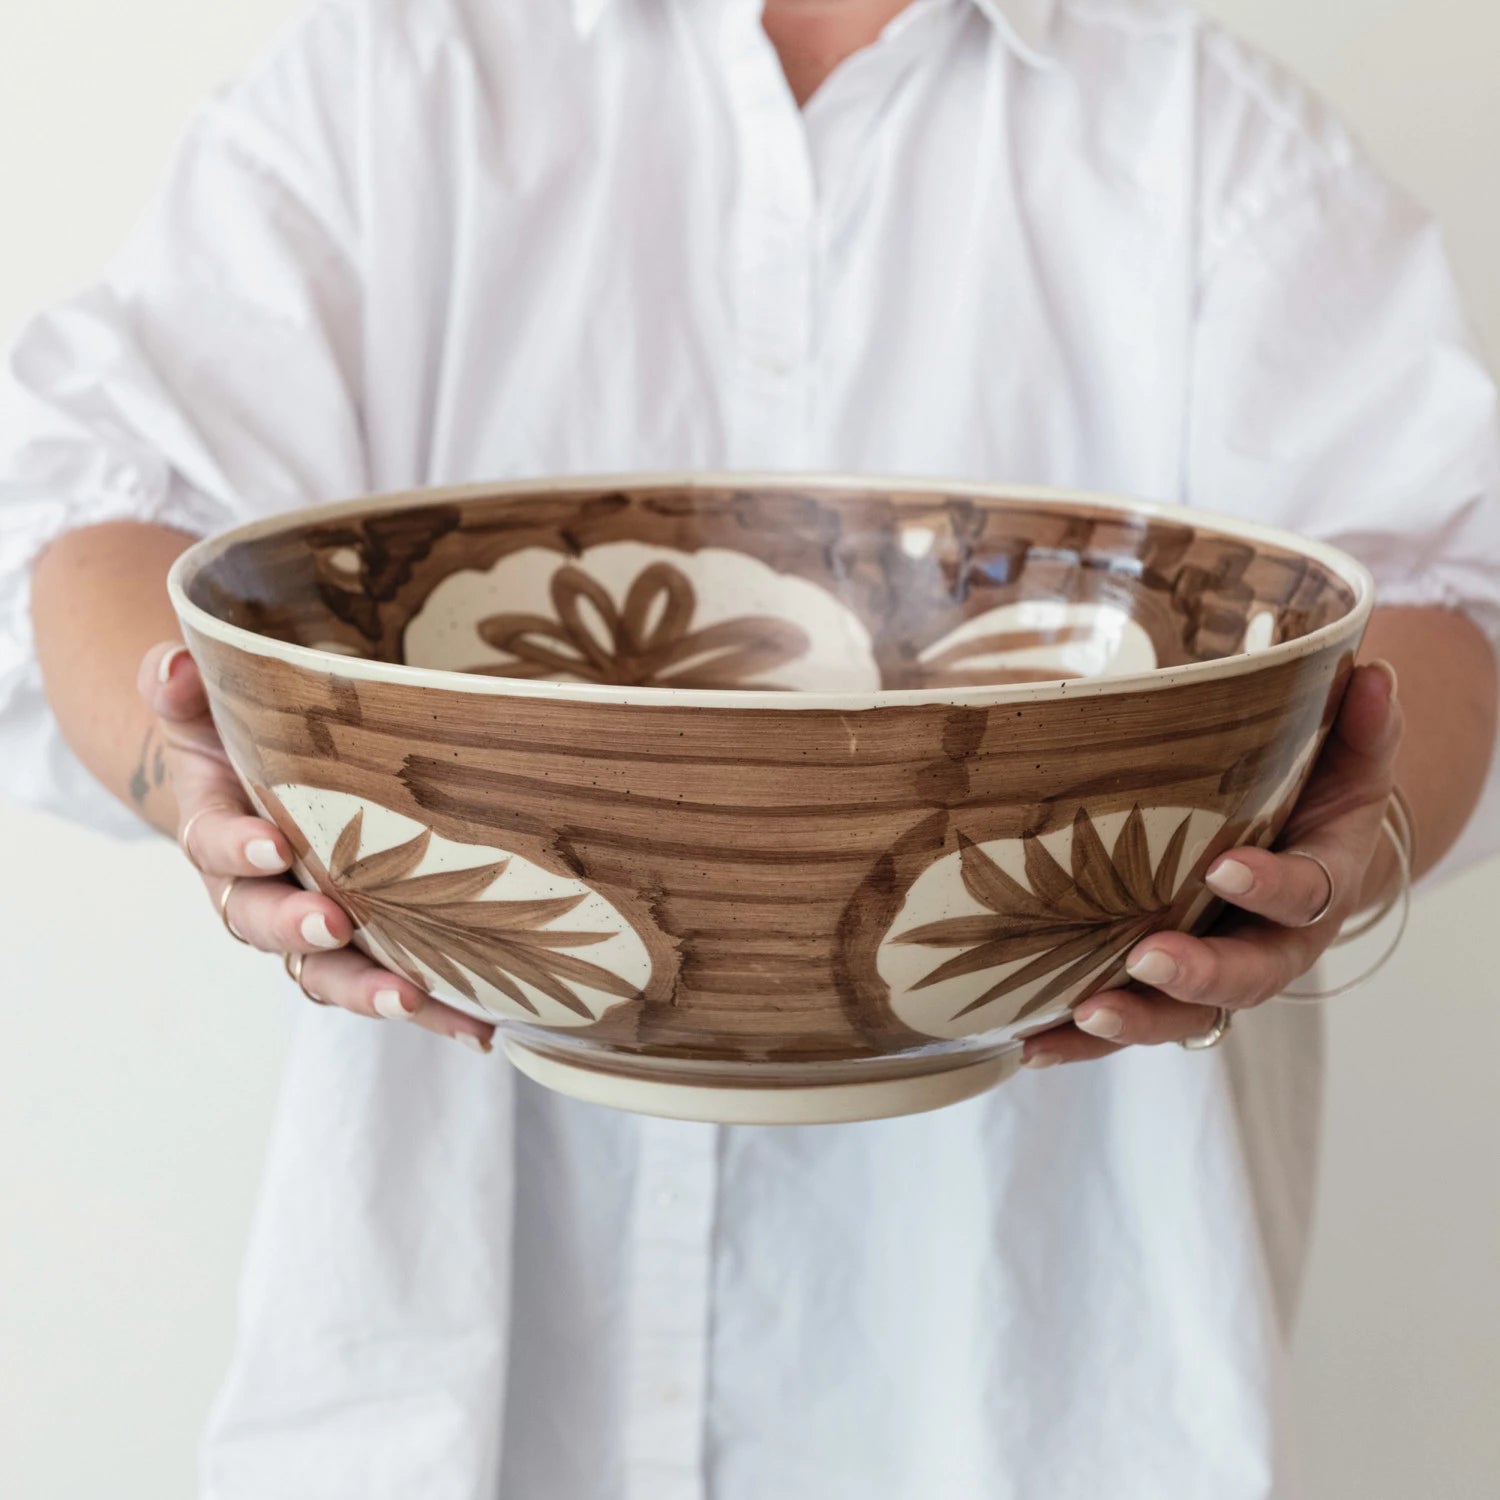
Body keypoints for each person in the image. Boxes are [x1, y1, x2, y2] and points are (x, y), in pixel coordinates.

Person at [3, 0, 1498, 1494]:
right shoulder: (389, 84)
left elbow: (1443, 603)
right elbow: (83, 518)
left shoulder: (1215, 139)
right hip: (450, 1403)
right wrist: (206, 771)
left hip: (1046, 1413)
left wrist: (1337, 845)